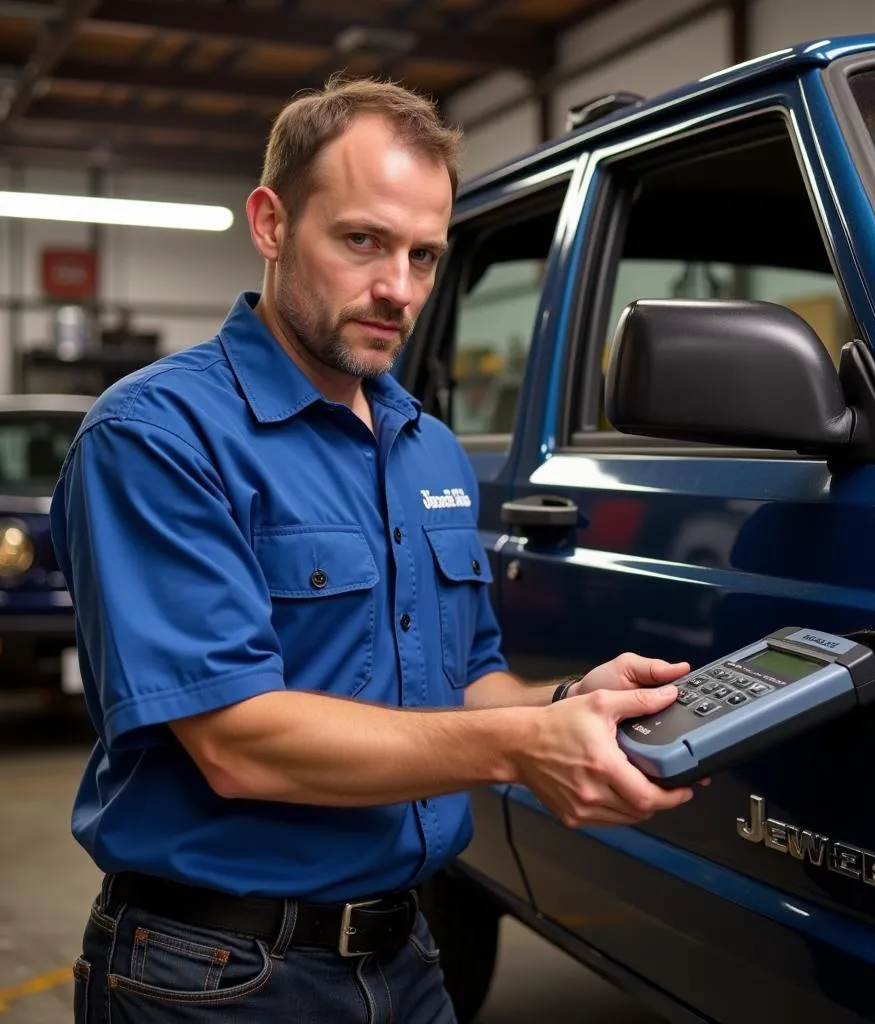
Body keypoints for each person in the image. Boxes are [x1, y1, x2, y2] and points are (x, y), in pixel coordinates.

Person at [51, 77, 702, 1024]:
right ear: (271, 223)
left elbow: (467, 681)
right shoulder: (157, 437)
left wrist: (569, 704)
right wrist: (525, 747)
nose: (399, 288)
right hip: (217, 976)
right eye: (362, 241)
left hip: (406, 957)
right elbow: (237, 743)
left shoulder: (426, 445)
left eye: (425, 255)